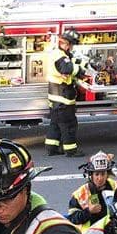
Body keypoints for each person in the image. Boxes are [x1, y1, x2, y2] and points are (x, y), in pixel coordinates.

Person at [44, 29, 86, 158]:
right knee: (69, 124)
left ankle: (52, 148)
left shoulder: (59, 53)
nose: (71, 47)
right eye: (71, 45)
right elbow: (67, 68)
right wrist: (82, 71)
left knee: (55, 124)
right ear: (66, 43)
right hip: (62, 98)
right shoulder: (59, 56)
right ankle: (71, 150)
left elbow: (72, 61)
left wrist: (86, 63)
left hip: (56, 97)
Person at [67, 151, 117, 228]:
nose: (100, 178)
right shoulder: (81, 193)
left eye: (103, 174)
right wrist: (88, 211)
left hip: (112, 231)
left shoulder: (116, 187)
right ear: (91, 175)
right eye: (96, 174)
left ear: (107, 174)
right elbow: (72, 218)